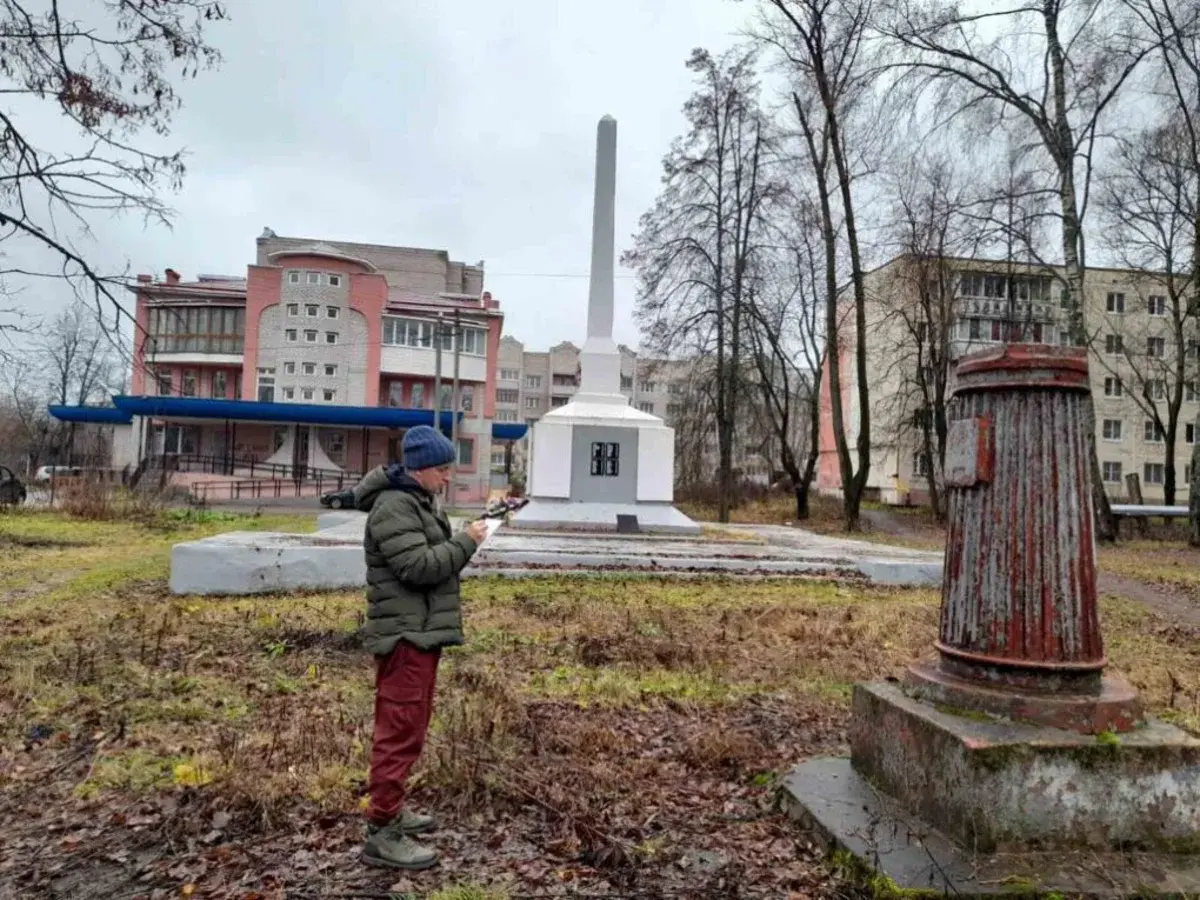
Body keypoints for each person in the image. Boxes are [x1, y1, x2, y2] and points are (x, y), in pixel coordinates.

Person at [352, 425, 489, 870]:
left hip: (419, 633)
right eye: (444, 470)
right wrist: (467, 541)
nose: (448, 478)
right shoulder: (394, 507)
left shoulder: (415, 502)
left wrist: (463, 541)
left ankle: (392, 811)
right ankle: (382, 832)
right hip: (406, 636)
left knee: (410, 729)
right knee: (398, 733)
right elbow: (419, 566)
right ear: (422, 469)